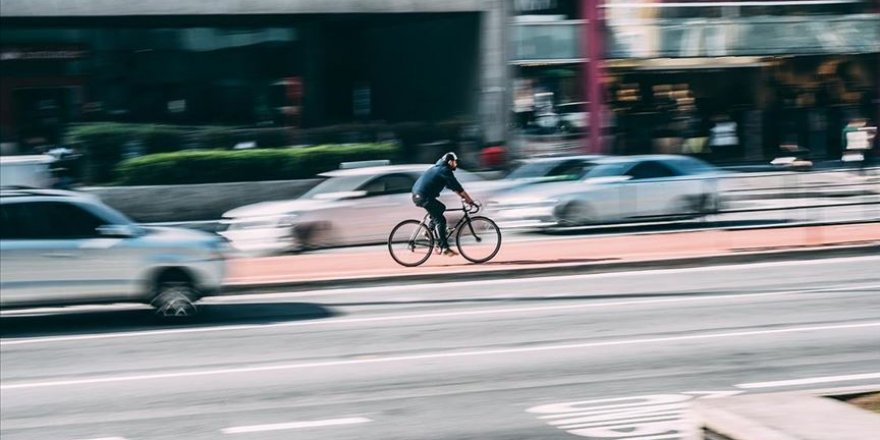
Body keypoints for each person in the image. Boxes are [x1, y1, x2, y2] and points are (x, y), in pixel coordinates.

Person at [412, 152, 477, 257]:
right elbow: (458, 187)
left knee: (441, 208)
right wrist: (469, 200)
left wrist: (463, 197)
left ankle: (429, 231)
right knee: (441, 220)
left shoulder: (439, 169)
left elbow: (453, 187)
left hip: (420, 196)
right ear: (450, 162)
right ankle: (445, 248)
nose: (456, 164)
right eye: (455, 162)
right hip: (423, 197)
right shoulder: (444, 170)